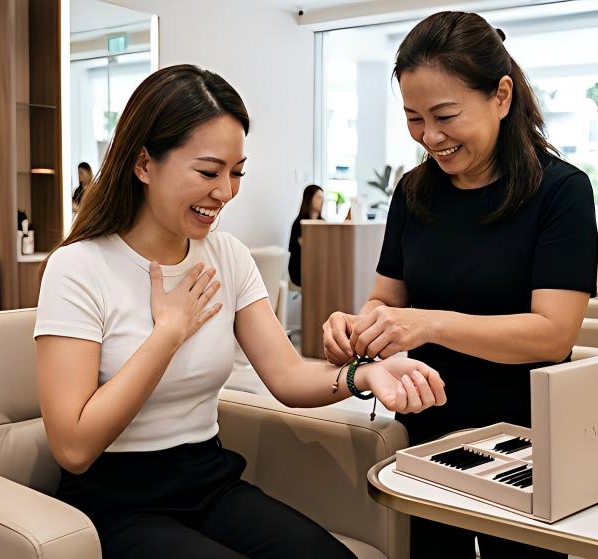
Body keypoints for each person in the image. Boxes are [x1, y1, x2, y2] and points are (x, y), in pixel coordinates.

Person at [34, 65, 447, 559]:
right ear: (144, 164)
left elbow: (288, 375)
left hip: (209, 481)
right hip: (114, 503)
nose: (226, 192)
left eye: (236, 173)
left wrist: (368, 374)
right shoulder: (78, 267)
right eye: (209, 172)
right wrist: (168, 332)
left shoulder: (227, 256)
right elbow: (74, 449)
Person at [322, 12, 597, 558]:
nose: (431, 137)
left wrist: (429, 323)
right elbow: (387, 298)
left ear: (501, 95)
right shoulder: (414, 191)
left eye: (445, 115)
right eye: (414, 118)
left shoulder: (561, 192)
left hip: (523, 437)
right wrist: (361, 324)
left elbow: (553, 335)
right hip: (425, 424)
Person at [287, 183, 323, 286]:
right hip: (299, 269)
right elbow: (294, 249)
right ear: (310, 198)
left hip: (316, 268)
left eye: (322, 198)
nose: (322, 201)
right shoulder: (298, 223)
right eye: (319, 197)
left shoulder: (323, 222)